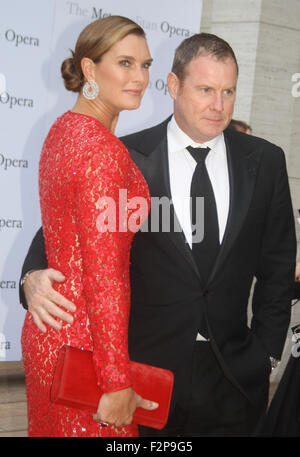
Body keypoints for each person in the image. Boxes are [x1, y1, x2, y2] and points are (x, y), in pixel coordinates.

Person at [20, 33, 296, 437]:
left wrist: (267, 355)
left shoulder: (266, 161)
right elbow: (56, 231)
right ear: (173, 86)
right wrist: (30, 278)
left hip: (236, 383)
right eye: (205, 89)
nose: (218, 106)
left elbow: (277, 268)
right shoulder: (125, 156)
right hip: (143, 382)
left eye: (228, 92)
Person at [20, 15, 159, 437]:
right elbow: (104, 273)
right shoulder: (100, 151)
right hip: (87, 351)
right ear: (88, 69)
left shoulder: (62, 131)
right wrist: (117, 382)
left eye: (146, 64)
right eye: (125, 63)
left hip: (50, 338)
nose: (139, 77)